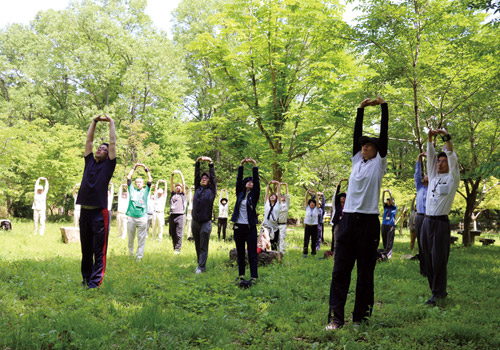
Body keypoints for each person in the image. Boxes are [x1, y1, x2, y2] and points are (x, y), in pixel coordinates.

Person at [327, 95, 388, 330]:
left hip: (369, 222)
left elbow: (384, 135)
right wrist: (360, 109)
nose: (365, 146)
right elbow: (356, 136)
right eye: (363, 144)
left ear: (376, 150)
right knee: (340, 270)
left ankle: (361, 319)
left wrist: (383, 107)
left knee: (365, 273)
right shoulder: (356, 161)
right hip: (349, 219)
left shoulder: (378, 163)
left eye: (369, 145)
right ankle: (335, 318)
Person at [76, 114, 116, 289]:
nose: (100, 149)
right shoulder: (89, 161)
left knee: (99, 251)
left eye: (104, 149)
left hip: (100, 213)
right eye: (99, 148)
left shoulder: (108, 165)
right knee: (86, 250)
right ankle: (86, 279)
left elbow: (113, 143)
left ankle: (95, 282)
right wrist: (94, 121)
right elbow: (88, 141)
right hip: (84, 211)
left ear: (108, 155)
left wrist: (111, 123)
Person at [421, 129, 459, 306]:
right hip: (427, 221)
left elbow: (451, 155)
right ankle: (434, 290)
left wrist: (446, 137)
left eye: (444, 162)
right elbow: (430, 156)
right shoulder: (434, 176)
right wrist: (429, 138)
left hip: (441, 222)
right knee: (427, 258)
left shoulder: (452, 178)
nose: (440, 164)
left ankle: (438, 293)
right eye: (439, 161)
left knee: (439, 259)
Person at [231, 157, 260, 285]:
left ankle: (254, 276)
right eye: (247, 182)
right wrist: (241, 165)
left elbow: (257, 182)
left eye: (251, 182)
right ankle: (241, 275)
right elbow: (238, 181)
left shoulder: (254, 195)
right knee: (241, 253)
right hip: (239, 227)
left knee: (252, 253)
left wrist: (254, 165)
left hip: (250, 228)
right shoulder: (240, 194)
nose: (250, 183)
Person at [192, 156, 217, 273]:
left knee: (203, 245)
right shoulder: (197, 189)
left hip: (206, 222)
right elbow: (196, 176)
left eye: (206, 178)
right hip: (195, 221)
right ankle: (200, 264)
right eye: (202, 178)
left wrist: (210, 164)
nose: (203, 179)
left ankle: (201, 267)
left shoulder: (211, 191)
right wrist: (197, 163)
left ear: (209, 181)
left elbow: (213, 177)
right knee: (197, 244)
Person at [126, 163, 153, 262]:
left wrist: (146, 169)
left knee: (141, 238)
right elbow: (128, 177)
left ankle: (139, 257)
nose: (138, 184)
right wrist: (134, 167)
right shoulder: (131, 189)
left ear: (143, 184)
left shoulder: (146, 191)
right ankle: (130, 254)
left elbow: (150, 180)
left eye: (140, 182)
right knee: (131, 238)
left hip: (142, 218)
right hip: (131, 217)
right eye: (136, 182)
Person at [414, 152, 428, 276]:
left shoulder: (432, 187)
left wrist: (430, 158)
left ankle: (431, 268)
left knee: (429, 243)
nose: (425, 176)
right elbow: (417, 174)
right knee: (421, 244)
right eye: (424, 175)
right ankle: (423, 270)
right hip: (419, 217)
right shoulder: (419, 187)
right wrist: (419, 158)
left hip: (429, 217)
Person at [169, 171, 187, 253]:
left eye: (178, 186)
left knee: (179, 233)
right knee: (173, 233)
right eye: (176, 186)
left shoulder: (182, 194)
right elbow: (171, 184)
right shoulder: (173, 194)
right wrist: (172, 175)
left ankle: (178, 249)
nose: (177, 187)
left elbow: (183, 184)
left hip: (180, 215)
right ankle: (174, 247)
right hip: (172, 214)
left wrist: (180, 173)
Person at [330, 179, 347, 253]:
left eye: (344, 197)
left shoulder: (347, 206)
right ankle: (335, 250)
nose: (343, 198)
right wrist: (339, 184)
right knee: (336, 235)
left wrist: (349, 184)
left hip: (345, 223)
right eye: (341, 197)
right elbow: (336, 193)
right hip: (337, 222)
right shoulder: (337, 205)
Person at [263, 181, 281, 251]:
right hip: (266, 225)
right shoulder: (266, 203)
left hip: (275, 226)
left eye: (274, 196)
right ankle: (264, 257)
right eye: (271, 196)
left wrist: (278, 184)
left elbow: (279, 194)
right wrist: (268, 185)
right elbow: (266, 194)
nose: (272, 196)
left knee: (274, 244)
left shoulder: (278, 205)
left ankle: (275, 258)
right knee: (265, 242)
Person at [380, 190, 397, 259]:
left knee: (389, 240)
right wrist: (384, 192)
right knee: (384, 239)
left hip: (391, 225)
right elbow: (382, 200)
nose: (388, 201)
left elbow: (392, 201)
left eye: (389, 200)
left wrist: (390, 193)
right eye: (387, 200)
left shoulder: (394, 207)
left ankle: (389, 254)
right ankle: (385, 253)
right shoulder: (385, 207)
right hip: (384, 224)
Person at [303, 189, 319, 258]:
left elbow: (318, 200)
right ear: (309, 204)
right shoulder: (307, 208)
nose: (312, 203)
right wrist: (307, 192)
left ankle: (313, 253)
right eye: (311, 203)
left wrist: (315, 193)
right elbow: (306, 199)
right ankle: (305, 253)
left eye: (313, 203)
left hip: (314, 226)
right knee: (306, 240)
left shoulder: (317, 208)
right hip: (308, 226)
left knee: (314, 240)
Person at [277, 182, 290, 255]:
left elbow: (287, 196)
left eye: (283, 196)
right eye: (281, 196)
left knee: (282, 238)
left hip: (283, 224)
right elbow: (278, 194)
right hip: (276, 224)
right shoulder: (277, 204)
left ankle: (282, 253)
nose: (282, 197)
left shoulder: (286, 204)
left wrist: (286, 186)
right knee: (275, 239)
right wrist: (279, 185)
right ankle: (275, 252)